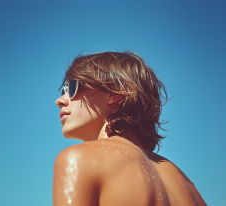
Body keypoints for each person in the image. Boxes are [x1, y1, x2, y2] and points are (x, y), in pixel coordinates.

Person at [54, 52, 206, 206]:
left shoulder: (79, 160)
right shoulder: (189, 188)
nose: (59, 100)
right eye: (63, 91)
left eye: (72, 87)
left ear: (114, 93)